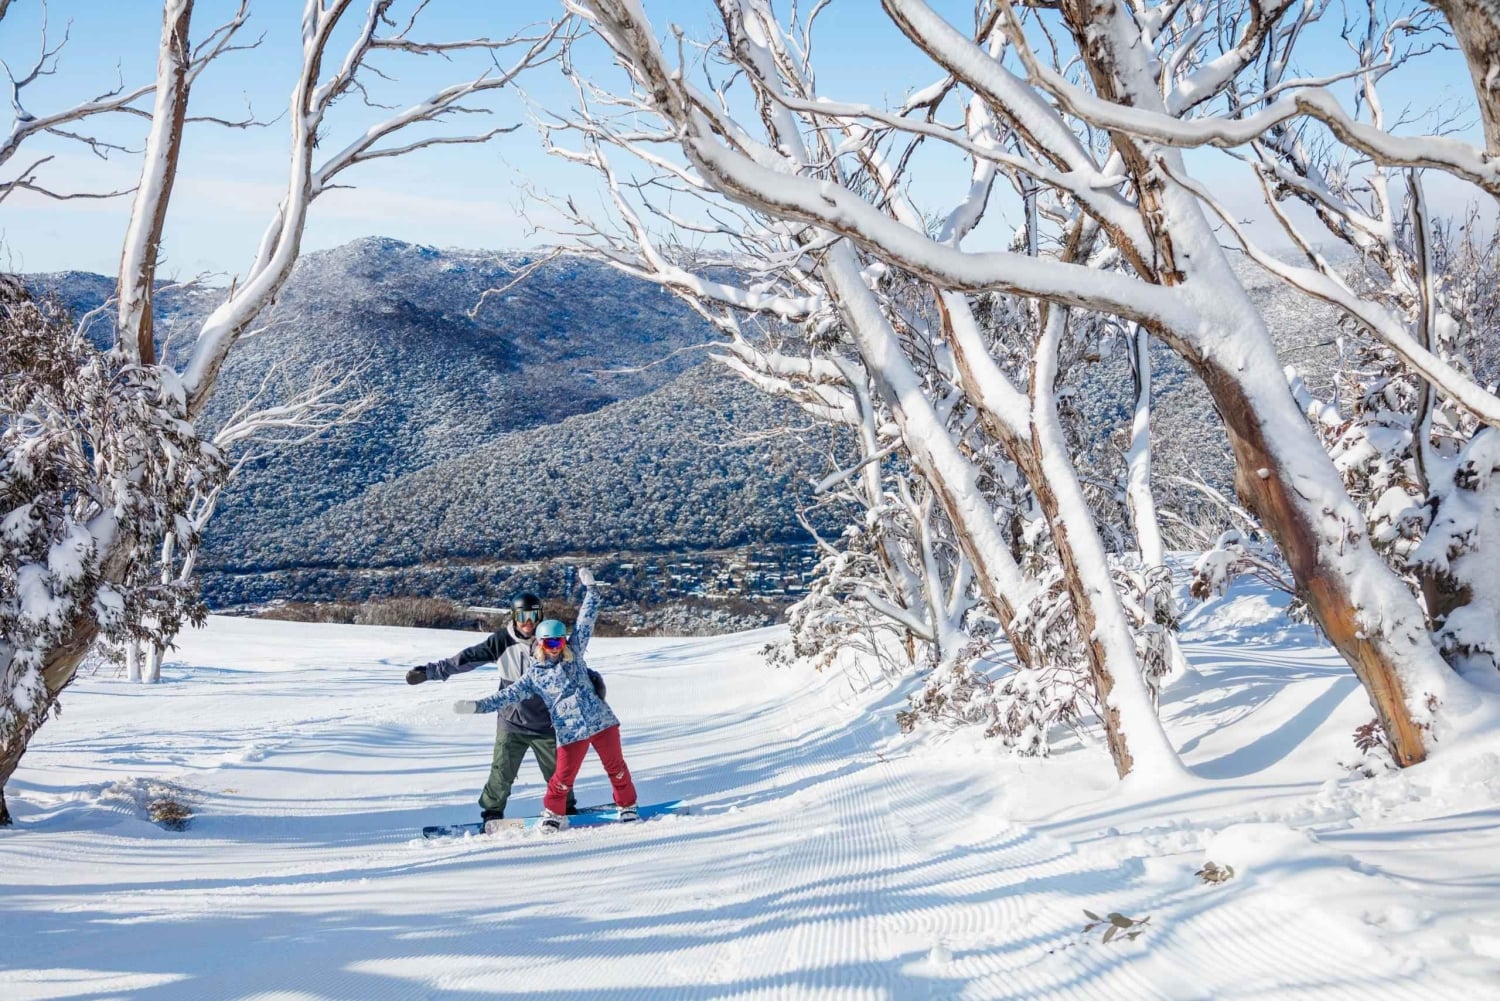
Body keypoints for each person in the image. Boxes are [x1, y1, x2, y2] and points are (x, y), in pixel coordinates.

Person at [452, 568, 637, 832]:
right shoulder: (535, 675)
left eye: (559, 643)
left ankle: (627, 805)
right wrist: (478, 706)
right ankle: (553, 813)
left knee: (616, 767)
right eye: (550, 644)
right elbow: (508, 695)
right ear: (539, 644)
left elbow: (586, 620)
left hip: (602, 723)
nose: (556, 649)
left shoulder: (574, 654)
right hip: (571, 732)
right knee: (561, 776)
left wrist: (592, 590)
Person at [409, 591, 602, 823]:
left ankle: (566, 808)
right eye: (522, 616)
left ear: (540, 616)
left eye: (533, 616)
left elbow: (573, 665)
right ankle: (492, 812)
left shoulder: (550, 639)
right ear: (513, 616)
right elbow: (466, 659)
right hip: (512, 722)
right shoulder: (501, 641)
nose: (527, 622)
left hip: (548, 723)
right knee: (501, 772)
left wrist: (592, 681)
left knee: (558, 772)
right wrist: (430, 672)